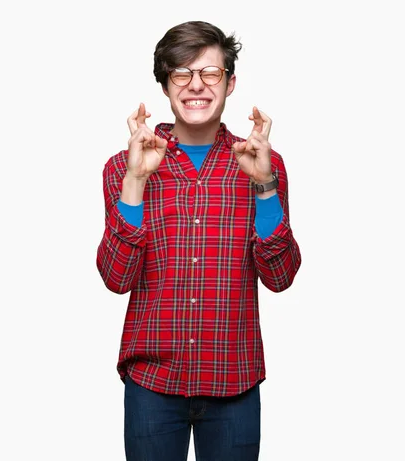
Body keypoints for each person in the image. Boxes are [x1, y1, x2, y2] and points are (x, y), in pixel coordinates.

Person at [96, 20, 301, 461]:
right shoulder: (123, 166)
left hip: (235, 376)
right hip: (153, 382)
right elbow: (116, 278)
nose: (196, 86)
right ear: (165, 84)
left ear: (229, 83)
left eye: (210, 73)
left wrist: (264, 186)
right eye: (181, 73)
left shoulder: (263, 163)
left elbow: (281, 276)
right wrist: (135, 180)